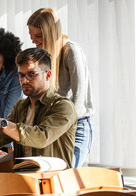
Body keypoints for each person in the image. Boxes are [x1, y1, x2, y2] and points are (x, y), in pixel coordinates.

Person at [0, 48, 77, 167]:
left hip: (53, 181)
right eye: (21, 75)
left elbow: (41, 137)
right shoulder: (20, 106)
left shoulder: (63, 106)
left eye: (31, 74)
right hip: (23, 178)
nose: (24, 80)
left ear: (48, 75)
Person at [27, 8, 93, 168]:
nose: (33, 41)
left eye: (38, 36)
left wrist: (59, 126)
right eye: (31, 35)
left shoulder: (71, 51)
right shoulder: (43, 56)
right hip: (52, 124)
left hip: (76, 125)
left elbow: (79, 97)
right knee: (48, 175)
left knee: (66, 174)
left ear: (50, 33)